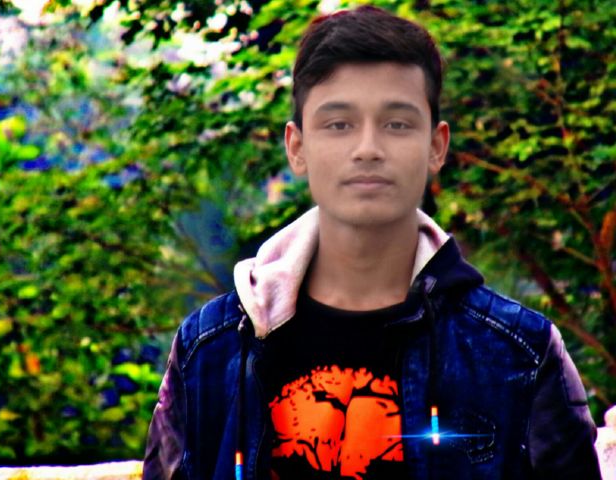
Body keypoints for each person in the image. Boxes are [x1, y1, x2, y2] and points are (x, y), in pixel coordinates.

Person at [143, 6, 602, 479]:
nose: (367, 149)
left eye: (397, 124)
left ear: (436, 146)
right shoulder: (211, 350)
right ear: (297, 147)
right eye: (338, 124)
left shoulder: (519, 354)